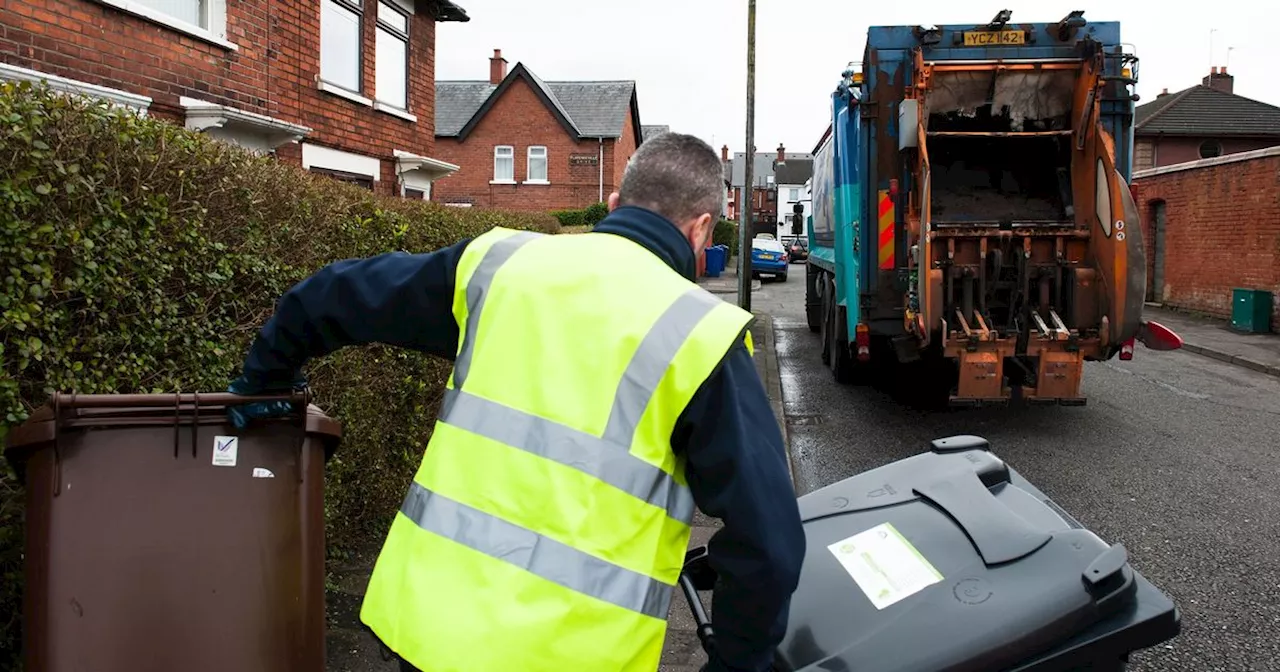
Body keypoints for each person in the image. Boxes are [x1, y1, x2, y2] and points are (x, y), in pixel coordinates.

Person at [226, 133, 806, 672]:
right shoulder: (701, 335)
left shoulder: (498, 266)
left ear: (612, 201)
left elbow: (330, 294)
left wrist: (264, 382)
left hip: (430, 632)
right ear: (703, 229)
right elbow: (769, 546)